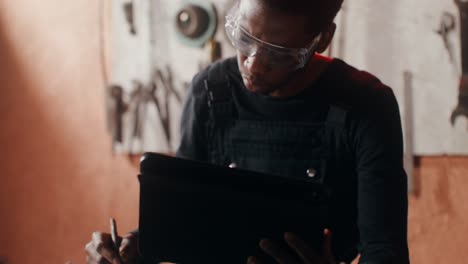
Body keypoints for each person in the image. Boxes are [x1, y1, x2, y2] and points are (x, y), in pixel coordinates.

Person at [85, 0, 410, 263]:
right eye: (244, 39)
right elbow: (183, 221)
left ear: (322, 39)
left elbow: (385, 253)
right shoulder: (209, 93)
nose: (252, 65)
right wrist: (134, 247)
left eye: (277, 53)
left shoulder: (366, 106)